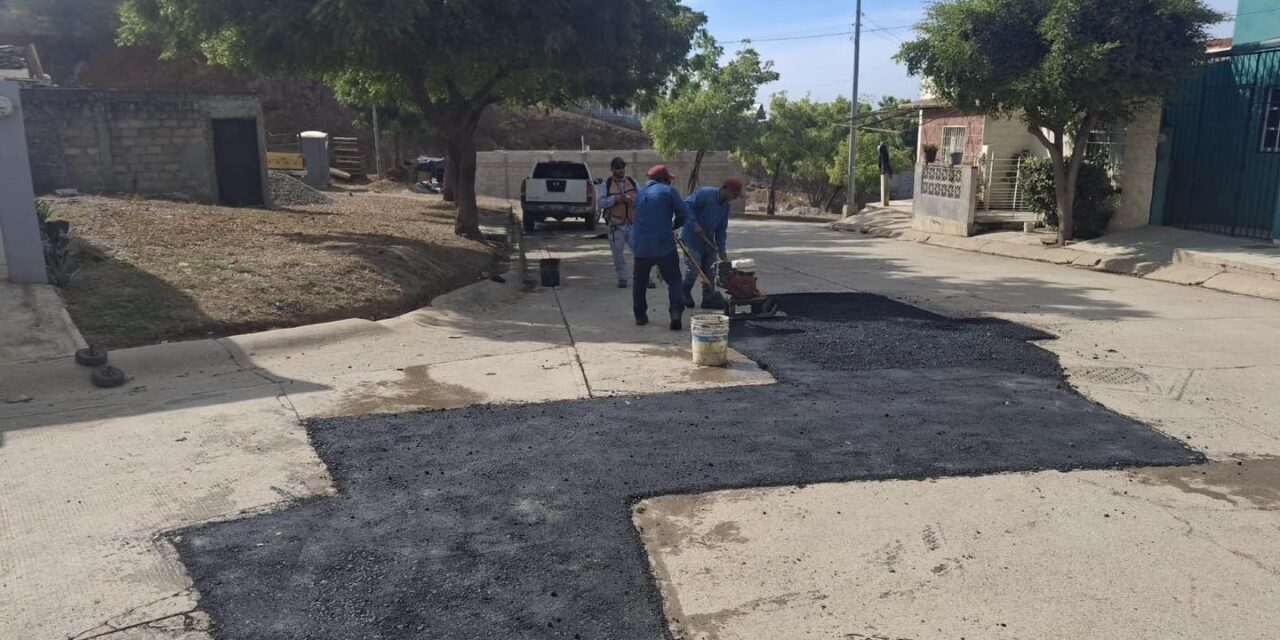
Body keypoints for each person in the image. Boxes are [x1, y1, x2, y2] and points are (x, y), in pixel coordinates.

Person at [631, 165, 700, 330]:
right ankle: (675, 314)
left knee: (639, 282)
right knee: (674, 280)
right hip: (663, 244)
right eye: (668, 179)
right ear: (663, 179)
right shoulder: (669, 191)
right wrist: (674, 226)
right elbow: (684, 213)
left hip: (640, 245)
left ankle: (640, 316)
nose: (670, 181)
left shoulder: (639, 194)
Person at [680, 178, 744, 309]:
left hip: (707, 239)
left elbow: (721, 230)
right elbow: (686, 206)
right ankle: (684, 292)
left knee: (711, 268)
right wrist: (695, 225)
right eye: (734, 194)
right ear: (725, 189)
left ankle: (708, 297)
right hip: (691, 236)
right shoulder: (705, 194)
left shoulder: (726, 206)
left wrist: (722, 249)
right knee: (694, 266)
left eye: (737, 195)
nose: (735, 197)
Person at [596, 157, 653, 289]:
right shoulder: (607, 184)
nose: (620, 170)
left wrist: (633, 201)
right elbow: (600, 203)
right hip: (616, 226)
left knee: (641, 253)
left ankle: (646, 278)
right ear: (612, 169)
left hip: (633, 224)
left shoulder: (632, 182)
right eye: (617, 167)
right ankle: (622, 278)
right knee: (618, 255)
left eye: (622, 167)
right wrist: (615, 199)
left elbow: (642, 197)